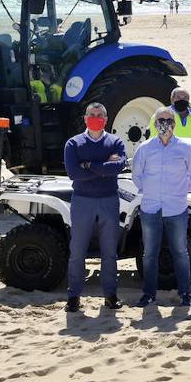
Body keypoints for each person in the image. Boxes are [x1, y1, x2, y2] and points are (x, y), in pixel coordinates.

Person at [132, 107, 191, 307]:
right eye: (161, 120)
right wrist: (151, 190)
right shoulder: (144, 149)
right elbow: (137, 176)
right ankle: (148, 294)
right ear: (155, 124)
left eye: (168, 120)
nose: (164, 123)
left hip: (176, 208)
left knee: (180, 252)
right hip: (150, 208)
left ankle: (185, 294)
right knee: (149, 253)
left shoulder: (185, 149)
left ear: (174, 123)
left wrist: (180, 190)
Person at [63, 102, 126, 313]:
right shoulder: (73, 144)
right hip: (82, 200)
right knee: (77, 251)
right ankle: (73, 296)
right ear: (85, 118)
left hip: (109, 200)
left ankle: (110, 295)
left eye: (100, 114)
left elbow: (118, 166)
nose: (96, 117)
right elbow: (74, 174)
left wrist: (89, 165)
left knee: (109, 252)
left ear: (106, 119)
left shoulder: (116, 142)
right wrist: (103, 168)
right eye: (92, 114)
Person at [150, 87, 191, 175]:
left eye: (185, 98)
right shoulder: (163, 117)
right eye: (178, 97)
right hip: (170, 162)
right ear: (172, 99)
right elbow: (154, 142)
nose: (182, 100)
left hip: (190, 163)